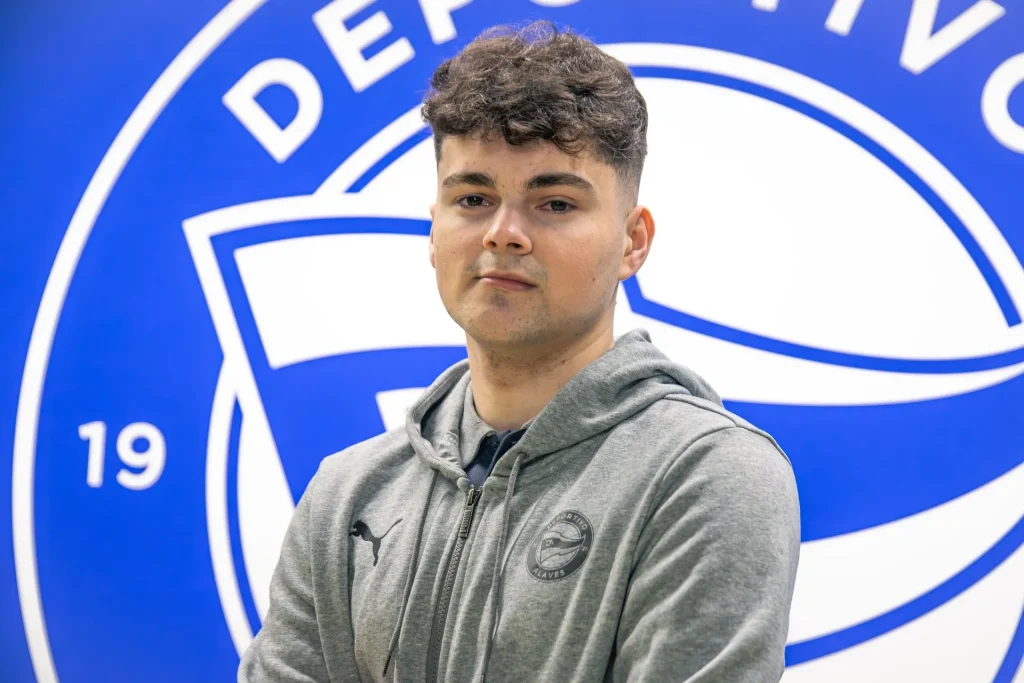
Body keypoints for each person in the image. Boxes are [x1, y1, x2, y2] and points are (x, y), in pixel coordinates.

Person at [239, 20, 800, 683]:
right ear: (434, 226)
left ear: (632, 241)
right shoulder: (347, 494)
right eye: (473, 198)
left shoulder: (706, 477)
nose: (504, 234)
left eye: (554, 202)